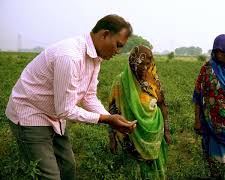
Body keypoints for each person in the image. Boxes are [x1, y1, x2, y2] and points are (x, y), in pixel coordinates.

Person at [5, 14, 137, 180]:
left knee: (67, 167)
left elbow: (89, 97)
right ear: (104, 34)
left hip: (54, 113)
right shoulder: (70, 56)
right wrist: (106, 119)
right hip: (30, 113)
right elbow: (65, 110)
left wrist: (111, 117)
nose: (118, 51)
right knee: (49, 175)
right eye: (118, 45)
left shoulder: (96, 58)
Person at [108, 45, 171, 179]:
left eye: (147, 63)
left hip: (154, 134)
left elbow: (162, 105)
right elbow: (112, 110)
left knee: (155, 170)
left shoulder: (154, 80)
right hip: (130, 136)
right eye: (140, 64)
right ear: (132, 62)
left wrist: (166, 130)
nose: (144, 67)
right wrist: (111, 137)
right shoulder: (120, 82)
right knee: (134, 170)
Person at [193, 34, 225, 178]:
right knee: (215, 167)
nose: (218, 54)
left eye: (221, 51)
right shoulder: (207, 68)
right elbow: (198, 95)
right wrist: (197, 120)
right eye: (216, 51)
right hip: (212, 125)